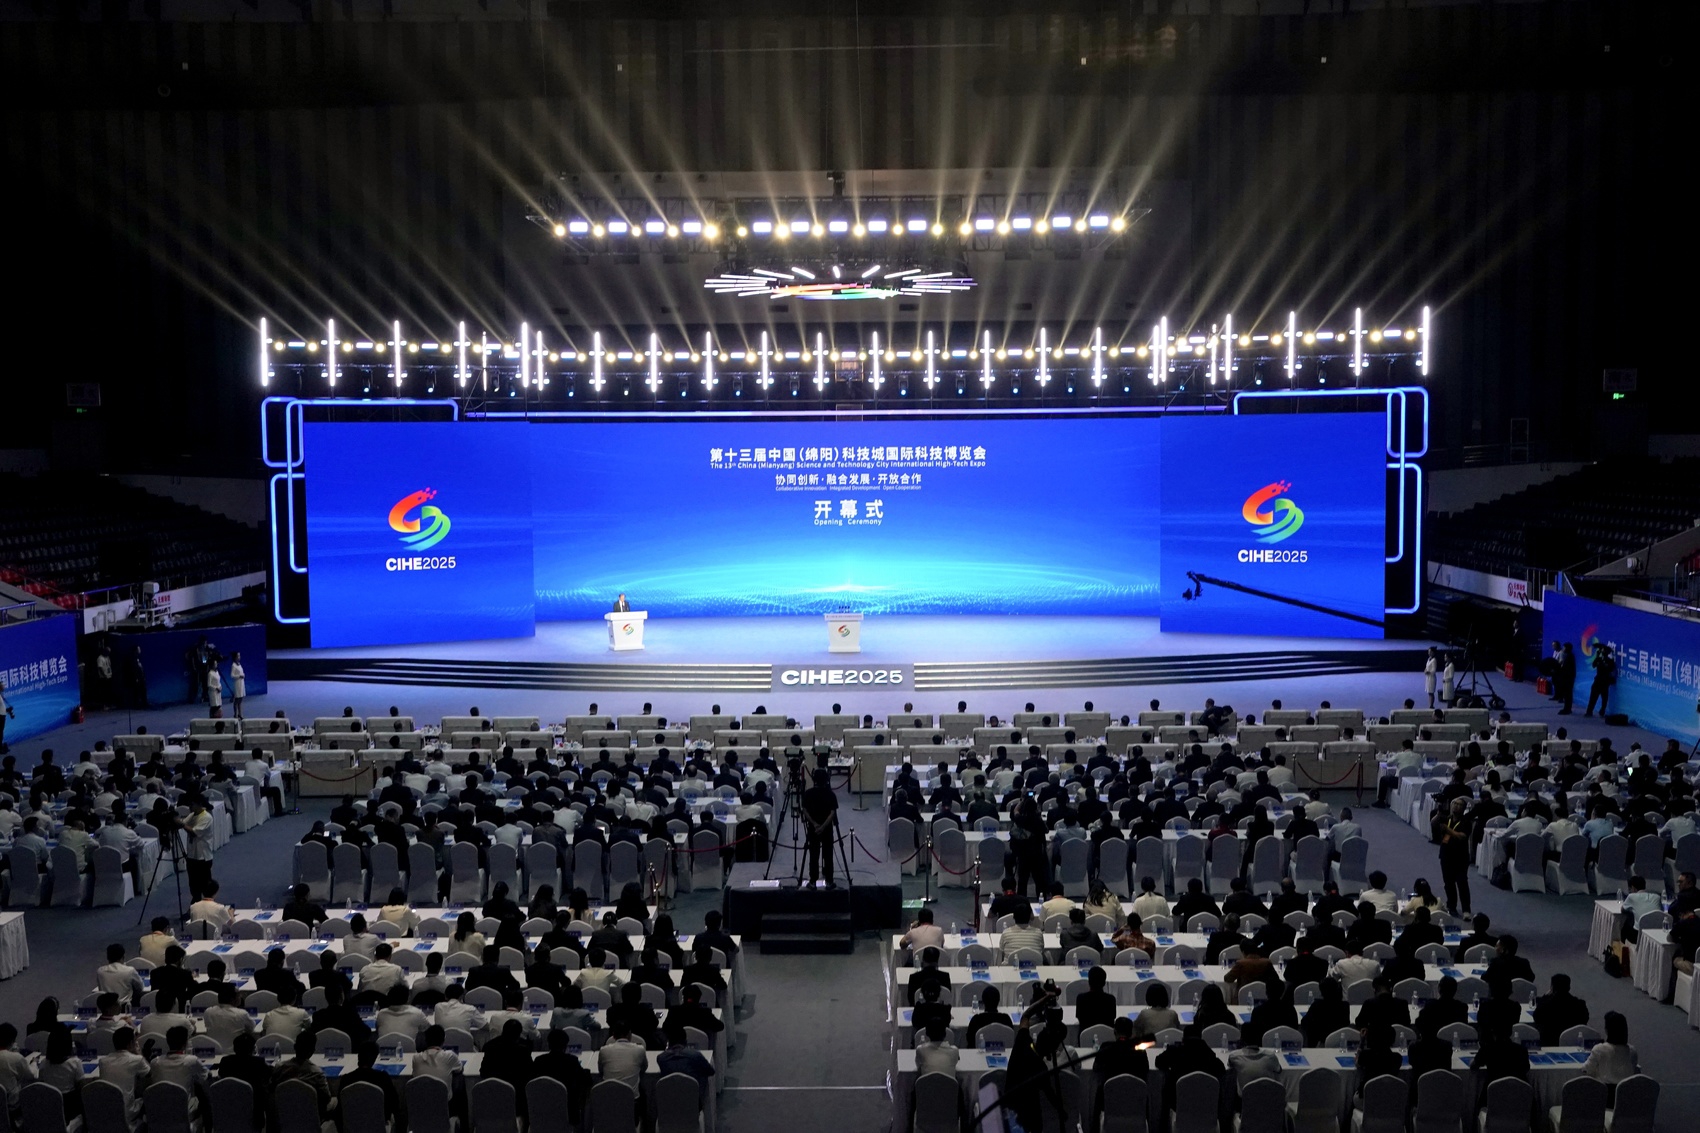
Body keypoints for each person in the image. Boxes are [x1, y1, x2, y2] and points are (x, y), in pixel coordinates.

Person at [273, 1030, 333, 1124]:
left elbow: (272, 1090)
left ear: (294, 1047)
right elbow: (326, 1098)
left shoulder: (279, 1068)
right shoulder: (317, 1073)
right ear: (312, 1051)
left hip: (284, 1116)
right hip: (310, 1118)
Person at [339, 1043, 400, 1128]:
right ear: (374, 1058)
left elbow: (340, 1109)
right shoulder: (383, 1078)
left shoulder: (346, 1079)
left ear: (358, 1057)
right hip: (378, 1125)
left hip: (352, 1126)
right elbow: (394, 1104)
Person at [1432, 796, 1473, 916]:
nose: (1456, 806)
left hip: (1460, 857)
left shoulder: (1466, 821)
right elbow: (1433, 823)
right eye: (1455, 803)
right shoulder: (1447, 818)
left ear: (1464, 808)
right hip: (1446, 855)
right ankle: (1452, 906)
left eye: (1459, 805)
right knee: (1448, 883)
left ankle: (1466, 909)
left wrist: (1448, 830)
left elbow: (1462, 836)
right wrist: (1438, 814)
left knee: (1462, 883)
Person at [1582, 1011, 1640, 1092]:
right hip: (1626, 1094)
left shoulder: (1599, 1049)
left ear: (1607, 1030)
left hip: (1603, 1094)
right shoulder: (1632, 1051)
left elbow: (1586, 1069)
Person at [800, 768, 839, 887]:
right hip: (827, 829)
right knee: (828, 855)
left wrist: (814, 824)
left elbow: (805, 810)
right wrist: (823, 826)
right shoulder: (831, 794)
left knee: (813, 854)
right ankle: (829, 881)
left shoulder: (808, 793)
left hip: (813, 829)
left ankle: (813, 881)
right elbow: (832, 813)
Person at [1533, 974, 1590, 1047]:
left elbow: (1536, 1018)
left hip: (1549, 1043)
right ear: (1569, 987)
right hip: (1573, 1043)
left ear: (1552, 988)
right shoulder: (1580, 1004)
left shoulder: (1545, 1005)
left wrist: (1545, 996)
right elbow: (1584, 1021)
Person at [1585, 644, 1618, 717]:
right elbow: (1593, 665)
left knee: (1604, 697)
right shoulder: (1599, 659)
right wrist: (1597, 657)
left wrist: (1604, 663)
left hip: (1605, 681)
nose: (1602, 653)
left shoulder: (1610, 661)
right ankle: (1589, 711)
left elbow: (1610, 669)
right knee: (1593, 697)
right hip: (1597, 680)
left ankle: (1602, 710)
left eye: (1604, 651)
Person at [1556, 642, 1577, 715]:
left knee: (1568, 694)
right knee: (1566, 693)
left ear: (1567, 648)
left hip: (1568, 678)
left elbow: (1567, 668)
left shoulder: (1570, 656)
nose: (1563, 649)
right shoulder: (1569, 656)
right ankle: (1566, 708)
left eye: (1564, 647)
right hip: (1567, 677)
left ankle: (1567, 709)